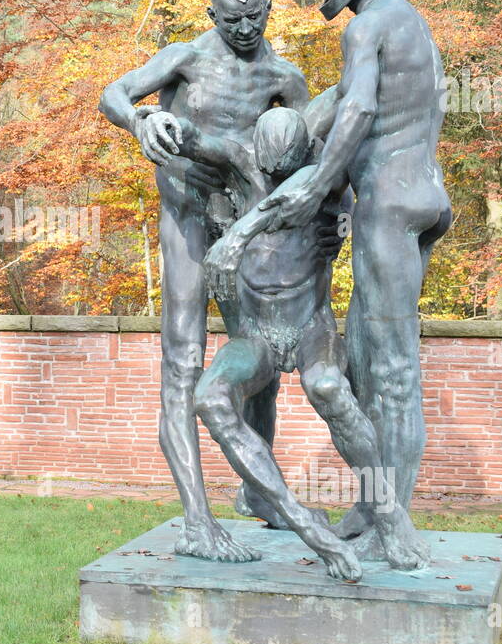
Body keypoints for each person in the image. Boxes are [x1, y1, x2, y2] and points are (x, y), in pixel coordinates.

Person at [204, 0, 452, 541]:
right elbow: (345, 97)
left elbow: (361, 108)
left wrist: (317, 184)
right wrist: (275, 137)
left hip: (388, 207)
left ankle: (387, 522)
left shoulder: (368, 25)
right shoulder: (408, 24)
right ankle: (374, 507)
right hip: (420, 195)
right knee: (367, 363)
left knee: (390, 372)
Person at [98, 0, 309, 561]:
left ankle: (259, 494)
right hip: (189, 217)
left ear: (270, 9)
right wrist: (142, 119)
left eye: (255, 16)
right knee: (184, 359)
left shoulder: (284, 78)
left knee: (262, 356)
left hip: (248, 226)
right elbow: (113, 92)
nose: (245, 28)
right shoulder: (185, 57)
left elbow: (312, 149)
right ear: (213, 15)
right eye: (232, 18)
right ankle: (196, 519)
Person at [184, 107, 430, 580]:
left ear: (305, 153)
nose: (277, 178)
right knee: (210, 397)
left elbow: (352, 103)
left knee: (330, 390)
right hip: (255, 333)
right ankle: (299, 519)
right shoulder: (241, 162)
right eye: (270, 168)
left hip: (311, 325)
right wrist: (159, 125)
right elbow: (199, 142)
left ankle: (388, 514)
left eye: (288, 168)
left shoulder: (323, 174)